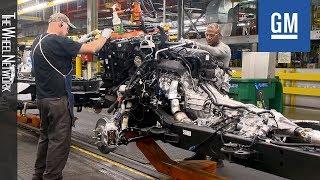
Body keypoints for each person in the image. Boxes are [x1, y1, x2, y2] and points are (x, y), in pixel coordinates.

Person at [30, 13, 113, 180]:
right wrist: (105, 35)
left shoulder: (38, 41)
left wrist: (83, 39)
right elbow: (94, 49)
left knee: (45, 138)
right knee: (59, 142)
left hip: (43, 99)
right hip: (58, 102)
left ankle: (38, 175)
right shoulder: (57, 41)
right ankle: (51, 177)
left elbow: (65, 49)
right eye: (68, 28)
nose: (68, 32)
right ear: (60, 24)